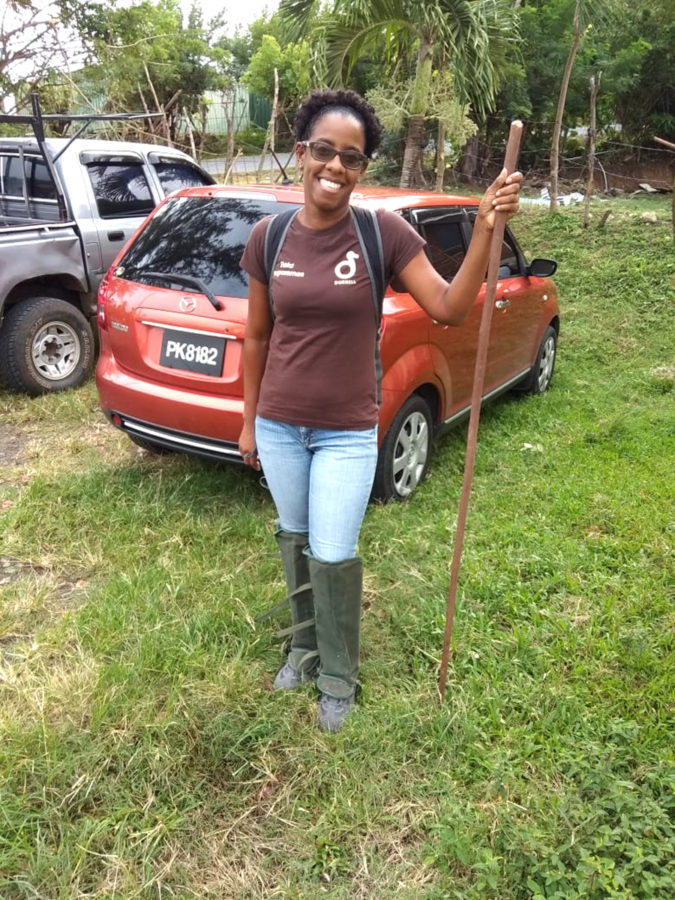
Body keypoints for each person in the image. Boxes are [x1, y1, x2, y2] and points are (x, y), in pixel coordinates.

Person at [239, 89, 521, 733]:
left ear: (363, 167)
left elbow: (449, 305)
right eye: (323, 152)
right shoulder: (269, 235)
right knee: (297, 540)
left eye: (352, 158)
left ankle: (338, 675)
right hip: (280, 425)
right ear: (300, 152)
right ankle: (305, 647)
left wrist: (482, 228)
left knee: (333, 551)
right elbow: (256, 335)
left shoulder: (380, 231)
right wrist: (249, 417)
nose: (335, 167)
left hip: (345, 431)